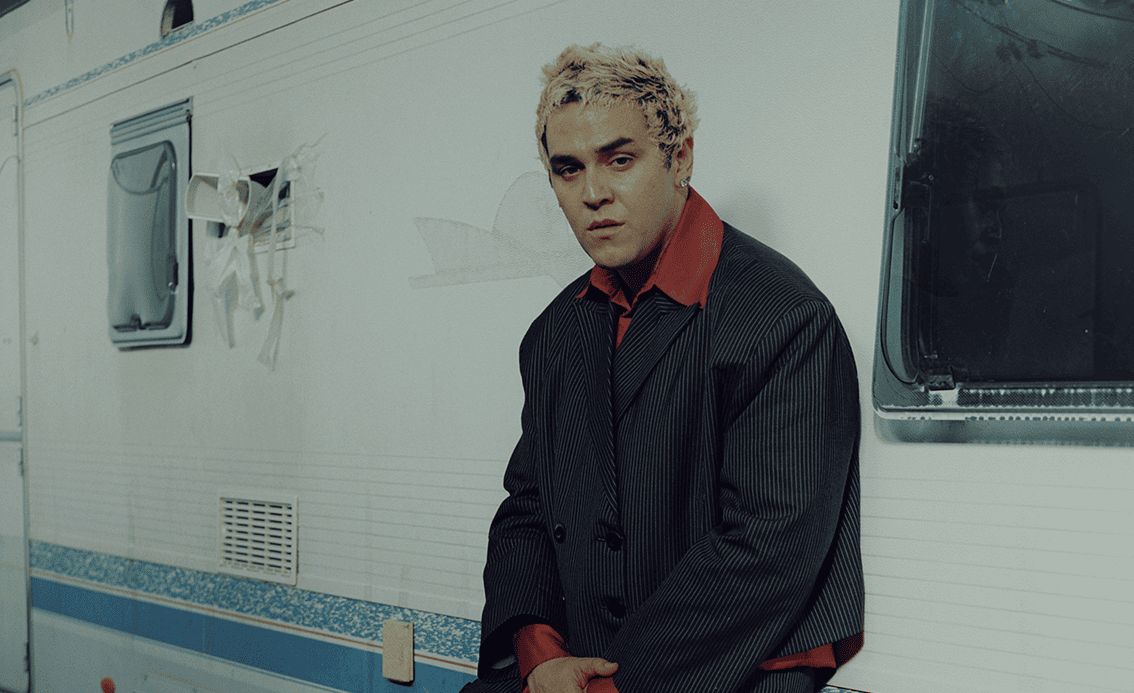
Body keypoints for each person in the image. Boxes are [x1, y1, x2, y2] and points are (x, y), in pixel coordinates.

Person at [467, 43, 864, 693]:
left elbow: (768, 549)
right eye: (568, 169)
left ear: (680, 158)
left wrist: (612, 685)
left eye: (619, 159)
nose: (594, 193)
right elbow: (528, 510)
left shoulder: (785, 317)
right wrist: (538, 654)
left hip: (723, 675)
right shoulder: (553, 334)